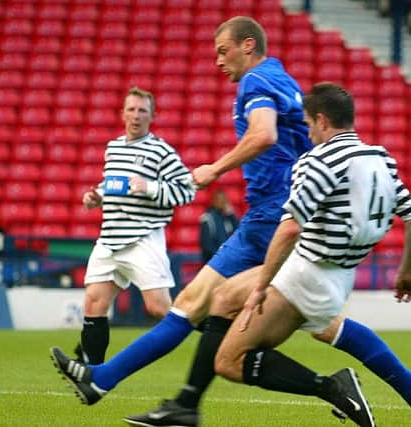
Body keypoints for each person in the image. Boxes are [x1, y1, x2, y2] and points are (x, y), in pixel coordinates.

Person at [51, 16, 380, 421]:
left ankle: (112, 382)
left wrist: (215, 168)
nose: (218, 62)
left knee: (199, 306)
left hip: (268, 215)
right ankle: (406, 391)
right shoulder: (281, 77)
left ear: (247, 45)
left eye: (222, 52)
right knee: (291, 319)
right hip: (281, 209)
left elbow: (264, 134)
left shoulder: (255, 82)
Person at [212, 83, 411, 427]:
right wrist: (407, 272)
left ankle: (336, 388)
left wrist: (262, 285)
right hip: (341, 274)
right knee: (225, 299)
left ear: (321, 120)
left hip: (308, 273)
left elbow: (291, 227)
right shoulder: (380, 158)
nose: (307, 132)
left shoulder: (317, 160)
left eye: (308, 124)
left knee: (230, 361)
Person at [73, 86, 196, 365]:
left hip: (142, 236)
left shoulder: (161, 151)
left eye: (142, 111)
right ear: (122, 114)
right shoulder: (113, 147)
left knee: (159, 308)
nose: (136, 116)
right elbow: (114, 185)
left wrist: (150, 187)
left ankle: (209, 337)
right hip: (110, 237)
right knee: (94, 302)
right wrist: (97, 197)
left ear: (153, 116)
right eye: (131, 109)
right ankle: (91, 370)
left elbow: (187, 191)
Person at [199, 189, 239, 263]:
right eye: (219, 199)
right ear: (213, 201)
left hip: (228, 260)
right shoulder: (207, 218)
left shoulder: (228, 218)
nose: (222, 202)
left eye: (224, 200)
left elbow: (239, 234)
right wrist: (220, 257)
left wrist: (232, 216)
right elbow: (206, 245)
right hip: (212, 261)